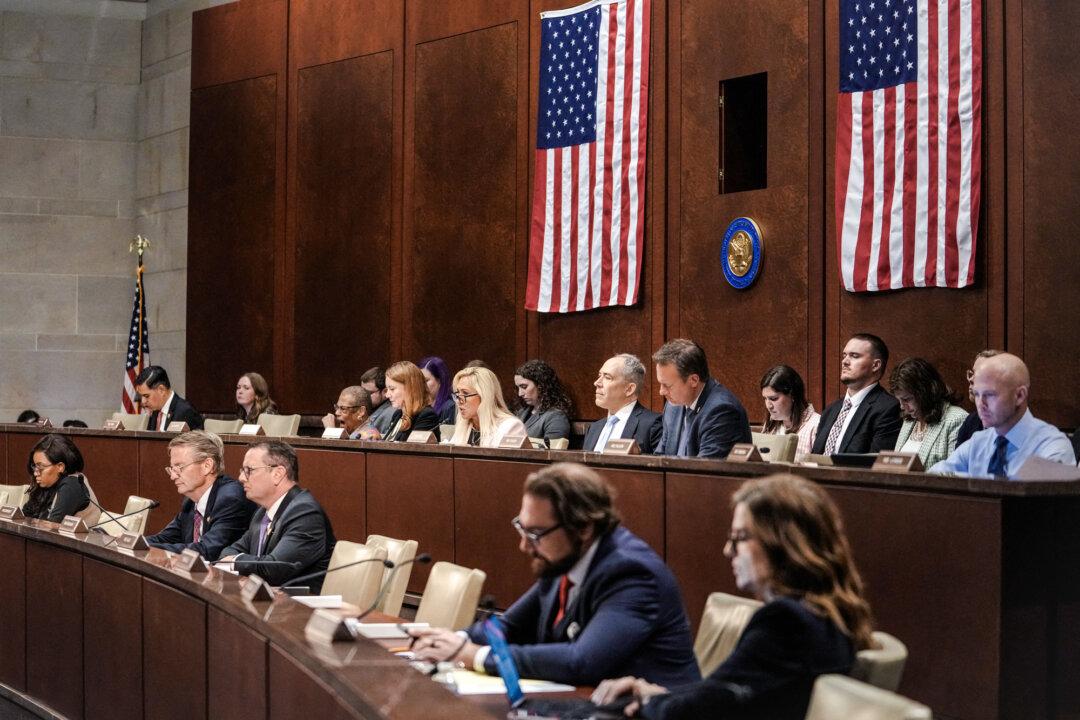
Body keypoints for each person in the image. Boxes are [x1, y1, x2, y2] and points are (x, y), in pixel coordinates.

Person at [591, 473, 875, 720]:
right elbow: (721, 692)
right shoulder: (825, 616)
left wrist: (648, 700)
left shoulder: (787, 623)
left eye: (740, 537)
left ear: (780, 543)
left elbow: (700, 711)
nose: (728, 550)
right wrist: (657, 692)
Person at [410, 462, 700, 687]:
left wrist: (476, 655)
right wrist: (448, 640)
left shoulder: (631, 573)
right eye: (522, 528)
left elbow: (581, 661)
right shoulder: (562, 558)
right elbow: (508, 627)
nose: (524, 545)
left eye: (535, 533)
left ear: (584, 528)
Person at [930, 353, 1075, 478]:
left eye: (990, 395)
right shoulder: (977, 443)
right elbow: (933, 477)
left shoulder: (1052, 446)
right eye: (977, 394)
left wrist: (974, 481)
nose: (981, 404)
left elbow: (1040, 504)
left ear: (1019, 395)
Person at [219, 441, 337, 591]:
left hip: (301, 607)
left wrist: (235, 561)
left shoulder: (305, 513)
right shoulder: (263, 511)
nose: (241, 477)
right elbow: (228, 551)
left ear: (278, 474)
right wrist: (234, 559)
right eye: (242, 470)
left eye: (249, 470)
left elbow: (274, 568)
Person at [145, 431, 256, 559]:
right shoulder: (191, 500)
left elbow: (208, 550)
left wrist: (144, 547)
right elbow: (165, 538)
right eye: (171, 468)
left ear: (207, 466)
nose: (173, 476)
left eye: (179, 467)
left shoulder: (231, 499)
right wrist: (131, 542)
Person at [653, 339, 752, 459]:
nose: (661, 392)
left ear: (693, 380)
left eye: (667, 385)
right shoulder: (672, 407)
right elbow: (660, 458)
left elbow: (703, 471)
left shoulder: (721, 411)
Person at [811, 333, 900, 455]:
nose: (845, 361)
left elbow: (876, 466)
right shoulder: (831, 410)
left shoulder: (888, 408)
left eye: (854, 356)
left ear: (876, 365)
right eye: (844, 355)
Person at [889, 358, 969, 468]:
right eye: (899, 400)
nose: (902, 406)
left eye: (907, 399)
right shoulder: (909, 420)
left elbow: (955, 472)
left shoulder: (956, 419)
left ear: (925, 392)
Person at [584, 354, 663, 453]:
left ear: (629, 389)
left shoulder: (652, 424)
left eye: (607, 377)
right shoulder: (594, 428)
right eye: (599, 376)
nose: (597, 383)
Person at [446, 366, 528, 447]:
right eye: (457, 394)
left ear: (485, 396)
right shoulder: (463, 426)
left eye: (465, 393)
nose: (458, 401)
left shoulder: (511, 427)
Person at [21, 434, 93, 522]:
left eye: (40, 467)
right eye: (34, 466)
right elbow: (23, 517)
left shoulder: (72, 485)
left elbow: (50, 528)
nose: (35, 473)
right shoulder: (47, 484)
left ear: (60, 467)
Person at [759, 365, 821, 460]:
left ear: (792, 395)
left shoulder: (816, 425)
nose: (769, 406)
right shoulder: (770, 424)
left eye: (774, 399)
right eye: (765, 399)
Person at [514, 359, 573, 442]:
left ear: (541, 385)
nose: (520, 394)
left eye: (524, 387)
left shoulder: (555, 417)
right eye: (518, 388)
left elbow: (552, 451)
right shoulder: (521, 412)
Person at [383, 361, 440, 441]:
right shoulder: (398, 414)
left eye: (392, 389)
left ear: (410, 389)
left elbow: (414, 450)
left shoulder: (426, 415)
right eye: (387, 389)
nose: (387, 395)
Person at [135, 365, 204, 431]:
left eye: (146, 396)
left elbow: (198, 442)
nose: (143, 401)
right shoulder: (155, 410)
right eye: (141, 396)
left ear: (161, 390)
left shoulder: (186, 411)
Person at [955, 349, 1002, 446]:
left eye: (979, 374)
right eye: (972, 373)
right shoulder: (971, 421)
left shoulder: (1014, 425)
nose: (971, 379)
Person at [419, 356, 457, 424]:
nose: (422, 385)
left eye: (426, 380)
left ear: (440, 381)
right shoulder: (420, 406)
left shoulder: (449, 407)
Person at [361, 366, 396, 437]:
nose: (363, 396)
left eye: (369, 393)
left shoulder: (391, 413)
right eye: (362, 391)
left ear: (385, 392)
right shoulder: (368, 407)